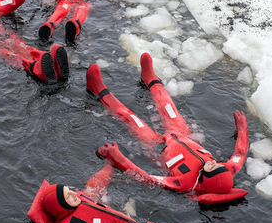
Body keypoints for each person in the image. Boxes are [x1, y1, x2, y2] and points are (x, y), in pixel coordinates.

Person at [87, 53, 249, 205]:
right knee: (167, 105)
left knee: (131, 118)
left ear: (204, 178)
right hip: (183, 135)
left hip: (157, 146)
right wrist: (242, 128)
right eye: (217, 163)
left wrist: (117, 157)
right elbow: (239, 154)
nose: (214, 162)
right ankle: (150, 78)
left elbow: (145, 178)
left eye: (212, 166)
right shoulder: (227, 170)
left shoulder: (183, 183)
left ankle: (99, 90)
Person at [28, 164, 233, 223]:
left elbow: (95, 185)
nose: (73, 193)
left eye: (70, 190)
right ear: (61, 206)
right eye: (68, 195)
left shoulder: (82, 198)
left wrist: (110, 167)